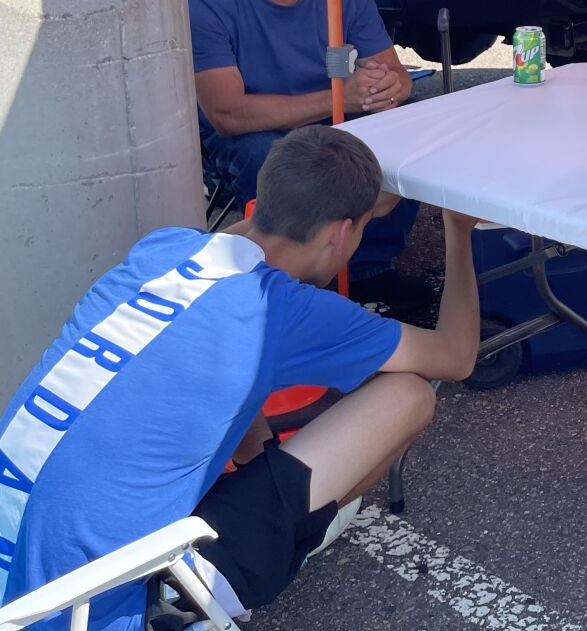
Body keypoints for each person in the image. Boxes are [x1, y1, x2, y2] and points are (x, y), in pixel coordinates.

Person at [0, 126, 480, 631]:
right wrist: (458, 230)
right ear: (341, 234)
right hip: (91, 603)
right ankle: (210, 590)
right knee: (408, 395)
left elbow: (235, 242)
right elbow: (456, 355)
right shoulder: (278, 309)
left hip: (18, 582)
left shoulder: (163, 248)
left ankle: (257, 505)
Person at [190, 0, 421, 310]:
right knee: (268, 158)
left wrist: (388, 88)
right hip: (247, 133)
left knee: (407, 128)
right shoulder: (207, 0)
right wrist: (348, 96)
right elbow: (228, 115)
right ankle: (292, 283)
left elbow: (395, 74)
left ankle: (371, 273)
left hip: (327, 116)